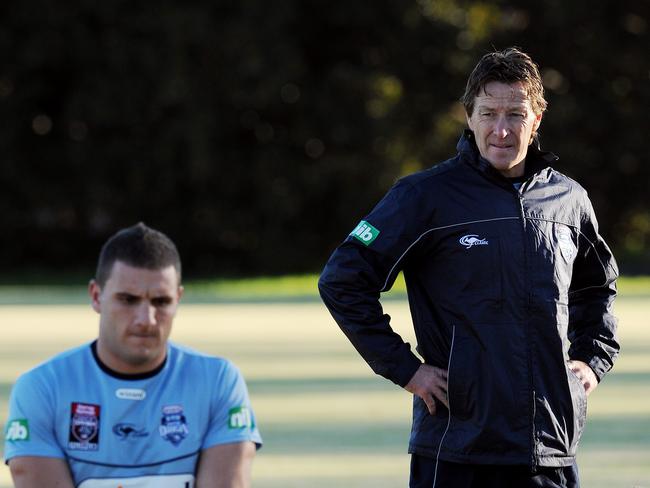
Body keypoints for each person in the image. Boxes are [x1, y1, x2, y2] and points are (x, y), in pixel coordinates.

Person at [318, 47, 619, 488]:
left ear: (537, 117)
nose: (501, 129)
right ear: (469, 116)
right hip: (455, 445)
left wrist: (592, 359)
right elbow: (342, 279)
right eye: (489, 113)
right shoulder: (423, 196)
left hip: (549, 446)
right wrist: (406, 369)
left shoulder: (570, 200)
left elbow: (598, 286)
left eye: (516, 114)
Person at [4, 223, 262, 488]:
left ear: (178, 299)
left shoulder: (217, 382)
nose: (146, 319)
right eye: (128, 300)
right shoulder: (43, 388)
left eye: (161, 302)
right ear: (96, 296)